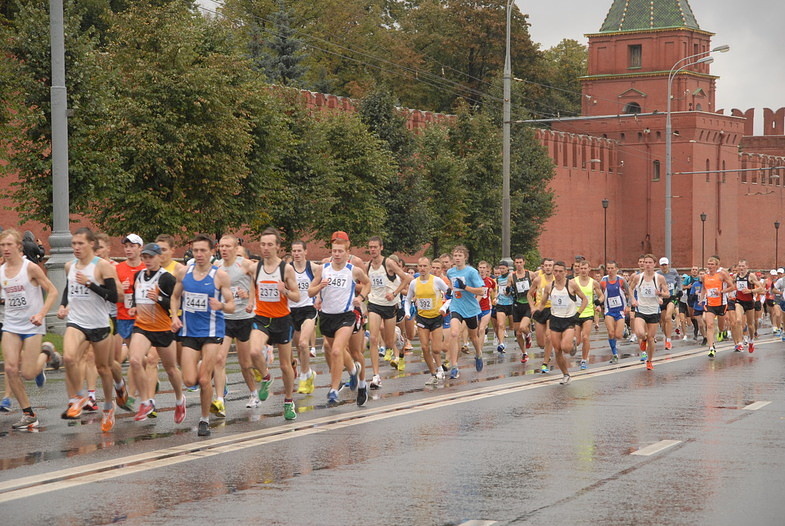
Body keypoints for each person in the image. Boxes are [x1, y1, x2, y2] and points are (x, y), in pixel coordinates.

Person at [58, 228, 129, 432]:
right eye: (74, 244)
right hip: (77, 321)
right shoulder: (69, 265)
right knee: (69, 358)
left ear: (91, 244)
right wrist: (63, 305)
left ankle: (108, 407)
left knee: (103, 368)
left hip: (99, 323)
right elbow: (68, 289)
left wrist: (89, 283)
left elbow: (114, 296)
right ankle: (79, 396)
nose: (76, 248)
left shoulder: (103, 267)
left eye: (80, 243)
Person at [170, 234, 235, 437]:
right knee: (190, 381)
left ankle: (204, 420)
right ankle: (201, 370)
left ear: (211, 251)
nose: (199, 254)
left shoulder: (219, 275)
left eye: (203, 251)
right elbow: (174, 297)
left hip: (212, 332)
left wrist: (222, 305)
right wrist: (174, 316)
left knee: (205, 380)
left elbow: (232, 305)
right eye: (196, 250)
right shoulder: (183, 273)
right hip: (189, 332)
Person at [0, 229, 59, 429]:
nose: (5, 249)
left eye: (9, 245)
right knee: (9, 368)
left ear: (19, 246)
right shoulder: (1, 270)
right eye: (2, 245)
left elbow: (52, 291)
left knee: (27, 373)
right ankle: (28, 414)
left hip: (33, 325)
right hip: (11, 324)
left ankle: (47, 353)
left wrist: (41, 314)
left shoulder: (30, 268)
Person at [127, 243, 186, 424]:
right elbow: (136, 296)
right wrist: (134, 307)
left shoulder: (166, 278)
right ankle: (146, 401)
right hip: (142, 326)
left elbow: (176, 303)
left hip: (162, 329)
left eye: (151, 257)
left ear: (159, 258)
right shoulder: (138, 276)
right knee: (135, 360)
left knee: (171, 369)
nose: (147, 261)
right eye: (144, 257)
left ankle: (179, 399)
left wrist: (159, 299)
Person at [308, 231, 370, 406]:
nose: (336, 254)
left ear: (347, 247)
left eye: (340, 250)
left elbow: (365, 283)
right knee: (333, 348)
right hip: (328, 314)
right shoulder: (324, 266)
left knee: (352, 351)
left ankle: (357, 386)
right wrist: (320, 295)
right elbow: (314, 290)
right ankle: (352, 371)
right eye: (333, 249)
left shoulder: (356, 264)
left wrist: (360, 298)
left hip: (351, 311)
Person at [247, 228, 300, 420]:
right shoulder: (255, 268)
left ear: (277, 246)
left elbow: (297, 295)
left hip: (282, 320)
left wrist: (284, 290)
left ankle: (288, 400)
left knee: (286, 366)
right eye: (263, 244)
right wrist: (251, 301)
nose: (266, 248)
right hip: (261, 317)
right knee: (253, 352)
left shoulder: (286, 269)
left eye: (270, 244)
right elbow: (253, 286)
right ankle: (267, 377)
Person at [213, 234, 265, 415]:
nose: (224, 249)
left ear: (236, 248)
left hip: (244, 318)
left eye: (228, 246)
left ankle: (253, 392)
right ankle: (219, 400)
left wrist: (250, 298)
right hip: (224, 319)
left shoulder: (245, 264)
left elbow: (263, 276)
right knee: (219, 359)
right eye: (221, 246)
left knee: (244, 363)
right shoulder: (217, 266)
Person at [534, 261, 588, 385]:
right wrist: (537, 311)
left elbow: (584, 299)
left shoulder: (572, 285)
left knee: (565, 347)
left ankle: (572, 344)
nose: (557, 274)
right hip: (555, 320)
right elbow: (542, 302)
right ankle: (565, 374)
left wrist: (578, 313)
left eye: (560, 271)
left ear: (565, 272)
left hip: (569, 319)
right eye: (555, 271)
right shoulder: (549, 286)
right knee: (557, 350)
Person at [365, 236, 411, 377]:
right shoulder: (367, 265)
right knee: (374, 337)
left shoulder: (389, 263)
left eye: (375, 247)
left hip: (390, 305)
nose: (372, 249)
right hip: (374, 304)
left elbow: (406, 278)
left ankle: (399, 346)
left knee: (391, 340)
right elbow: (366, 283)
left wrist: (395, 292)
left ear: (381, 248)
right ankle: (375, 375)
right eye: (370, 247)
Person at [405, 257, 450, 385]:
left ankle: (440, 368)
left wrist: (444, 307)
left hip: (436, 317)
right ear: (418, 267)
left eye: (425, 266)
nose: (423, 268)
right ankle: (433, 373)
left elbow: (451, 296)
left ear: (430, 267)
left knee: (436, 349)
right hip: (422, 318)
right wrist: (408, 312)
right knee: (424, 347)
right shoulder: (414, 283)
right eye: (420, 266)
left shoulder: (437, 281)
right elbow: (408, 299)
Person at [445, 245, 485, 379]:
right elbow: (452, 286)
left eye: (460, 256)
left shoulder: (471, 272)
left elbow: (481, 290)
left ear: (465, 257)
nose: (457, 258)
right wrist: (450, 290)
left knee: (473, 337)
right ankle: (454, 366)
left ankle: (478, 354)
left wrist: (466, 287)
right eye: (455, 255)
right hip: (456, 306)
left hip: (470, 308)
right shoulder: (450, 272)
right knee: (454, 333)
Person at [627, 254, 669, 370]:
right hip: (641, 309)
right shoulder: (638, 277)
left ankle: (649, 361)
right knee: (640, 333)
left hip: (654, 311)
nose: (647, 265)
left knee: (651, 338)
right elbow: (630, 288)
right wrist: (633, 299)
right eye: (646, 262)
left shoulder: (659, 278)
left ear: (654, 264)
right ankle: (643, 340)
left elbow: (667, 293)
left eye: (650, 262)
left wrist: (660, 294)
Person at [290, 240, 319, 395]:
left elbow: (323, 279)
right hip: (292, 310)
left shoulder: (313, 267)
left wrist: (319, 297)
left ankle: (303, 376)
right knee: (299, 348)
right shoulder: (287, 269)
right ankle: (308, 372)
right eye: (294, 251)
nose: (296, 254)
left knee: (303, 343)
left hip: (308, 308)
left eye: (299, 251)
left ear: (305, 251)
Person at [700, 256, 734, 357]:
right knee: (709, 325)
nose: (710, 266)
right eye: (708, 264)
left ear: (716, 266)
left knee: (721, 326)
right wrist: (701, 299)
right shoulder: (704, 276)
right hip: (709, 304)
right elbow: (703, 288)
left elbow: (732, 287)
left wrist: (721, 291)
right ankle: (711, 347)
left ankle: (722, 331)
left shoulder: (721, 275)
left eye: (712, 264)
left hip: (721, 304)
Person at [574, 261, 604, 370]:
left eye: (585, 268)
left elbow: (601, 296)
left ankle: (584, 359)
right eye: (581, 268)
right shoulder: (573, 282)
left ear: (589, 269)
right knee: (577, 341)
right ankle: (579, 350)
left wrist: (598, 302)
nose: (583, 270)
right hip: (576, 313)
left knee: (585, 337)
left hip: (588, 313)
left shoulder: (593, 283)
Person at [528, 258, 555, 373]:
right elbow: (529, 294)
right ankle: (547, 352)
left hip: (552, 310)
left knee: (549, 336)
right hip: (540, 310)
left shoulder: (557, 280)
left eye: (550, 265)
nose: (548, 267)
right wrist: (532, 307)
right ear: (543, 267)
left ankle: (545, 363)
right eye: (546, 265)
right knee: (540, 343)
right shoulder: (538, 280)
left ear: (553, 267)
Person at [731, 259, 764, 353]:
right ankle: (740, 343)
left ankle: (751, 340)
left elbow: (761, 287)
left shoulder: (751, 276)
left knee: (750, 325)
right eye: (739, 266)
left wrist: (751, 291)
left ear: (746, 267)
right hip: (739, 301)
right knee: (738, 320)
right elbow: (730, 285)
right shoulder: (735, 276)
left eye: (742, 266)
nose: (741, 268)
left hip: (749, 302)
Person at [600, 261, 629, 363]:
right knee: (611, 333)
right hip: (609, 310)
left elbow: (629, 292)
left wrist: (629, 305)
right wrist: (599, 305)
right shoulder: (603, 281)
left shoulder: (621, 280)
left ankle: (624, 329)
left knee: (618, 335)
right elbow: (600, 294)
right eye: (608, 268)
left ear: (616, 269)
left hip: (620, 310)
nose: (610, 270)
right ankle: (614, 354)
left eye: (612, 268)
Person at [509, 255, 534, 363]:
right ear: (514, 264)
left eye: (520, 262)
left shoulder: (531, 274)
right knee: (518, 333)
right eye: (517, 263)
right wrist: (507, 289)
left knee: (523, 327)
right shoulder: (512, 276)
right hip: (517, 305)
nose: (518, 264)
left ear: (524, 263)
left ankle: (528, 335)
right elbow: (507, 288)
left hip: (528, 305)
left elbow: (538, 285)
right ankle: (524, 353)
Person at [656, 257, 681, 351]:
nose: (664, 267)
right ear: (659, 266)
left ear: (668, 265)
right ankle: (667, 337)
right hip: (662, 297)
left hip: (671, 297)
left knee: (667, 317)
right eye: (662, 265)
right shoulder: (657, 274)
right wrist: (658, 297)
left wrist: (680, 289)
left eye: (665, 265)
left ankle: (669, 340)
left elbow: (679, 280)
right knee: (662, 321)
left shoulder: (673, 272)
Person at [494, 259, 514, 353]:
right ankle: (501, 344)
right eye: (500, 268)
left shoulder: (512, 277)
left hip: (511, 304)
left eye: (503, 268)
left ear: (507, 268)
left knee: (512, 327)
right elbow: (497, 290)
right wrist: (495, 297)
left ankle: (523, 335)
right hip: (501, 304)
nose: (501, 270)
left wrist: (510, 291)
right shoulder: (498, 278)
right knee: (501, 325)